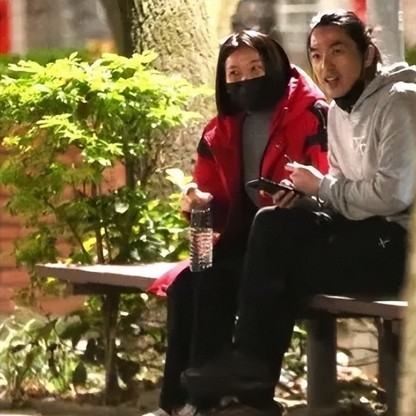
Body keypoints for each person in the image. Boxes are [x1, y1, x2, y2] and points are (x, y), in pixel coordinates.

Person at [181, 10, 416, 416]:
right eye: (316, 54)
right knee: (271, 223)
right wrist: (306, 198)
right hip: (364, 234)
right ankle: (245, 379)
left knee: (273, 267)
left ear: (367, 54)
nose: (326, 65)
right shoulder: (340, 109)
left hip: (403, 244)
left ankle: (251, 379)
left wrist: (321, 187)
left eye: (338, 50)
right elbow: (343, 191)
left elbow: (394, 194)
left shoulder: (400, 101)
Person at [142, 30, 329, 416]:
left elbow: (330, 183)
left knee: (216, 281)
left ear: (275, 66)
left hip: (296, 246)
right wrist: (197, 201)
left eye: (255, 69)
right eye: (234, 74)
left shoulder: (311, 114)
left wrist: (300, 197)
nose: (245, 80)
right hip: (243, 242)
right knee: (191, 282)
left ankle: (206, 400)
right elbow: (211, 201)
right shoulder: (221, 130)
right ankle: (178, 402)